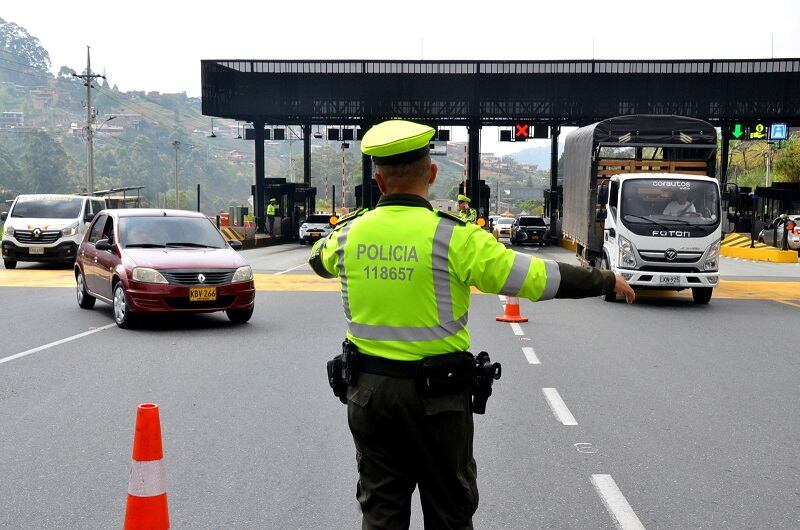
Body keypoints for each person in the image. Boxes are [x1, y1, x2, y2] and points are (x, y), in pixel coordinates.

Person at [308, 119, 635, 529]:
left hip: (370, 397)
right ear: (431, 173)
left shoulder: (348, 235)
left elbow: (317, 260)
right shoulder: (456, 238)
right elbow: (536, 277)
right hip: (438, 402)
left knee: (381, 511)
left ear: (377, 180)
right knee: (449, 512)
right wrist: (604, 279)